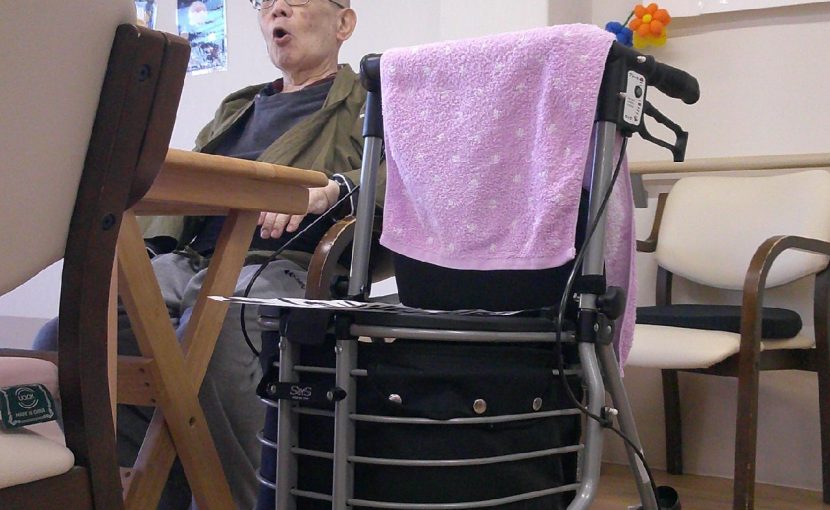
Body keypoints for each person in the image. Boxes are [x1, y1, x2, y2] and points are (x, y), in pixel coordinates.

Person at [35, 0, 384, 508]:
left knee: (217, 320)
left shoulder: (366, 100)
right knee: (72, 335)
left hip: (281, 264)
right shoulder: (238, 107)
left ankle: (249, 499)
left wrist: (334, 188)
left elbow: (399, 179)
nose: (277, 8)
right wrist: (140, 250)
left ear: (344, 23)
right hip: (193, 257)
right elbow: (184, 183)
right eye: (265, 2)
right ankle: (147, 495)